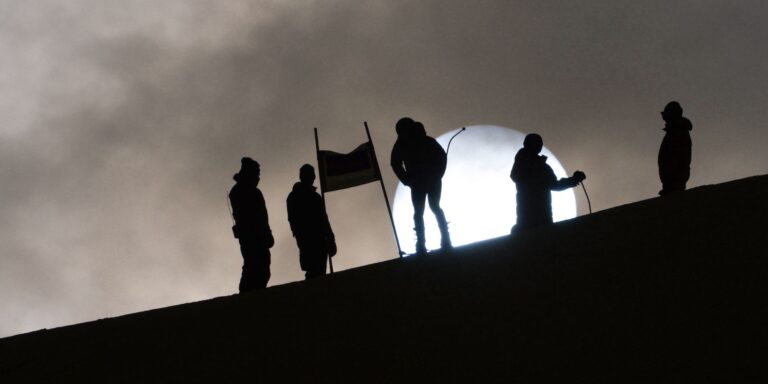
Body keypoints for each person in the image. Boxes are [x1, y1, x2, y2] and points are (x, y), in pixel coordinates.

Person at [390, 117, 451, 255]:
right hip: (419, 181)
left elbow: (441, 157)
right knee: (424, 210)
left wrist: (437, 174)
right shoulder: (406, 144)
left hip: (425, 180)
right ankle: (426, 243)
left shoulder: (415, 142)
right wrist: (407, 180)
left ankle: (439, 240)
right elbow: (395, 163)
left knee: (428, 209)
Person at [510, 133, 586, 233]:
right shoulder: (530, 164)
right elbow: (516, 176)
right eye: (537, 144)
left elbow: (554, 185)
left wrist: (573, 180)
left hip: (541, 216)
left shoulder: (542, 166)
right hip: (530, 217)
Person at [229, 157, 274, 292]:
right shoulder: (240, 191)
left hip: (260, 236)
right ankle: (247, 298)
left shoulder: (252, 191)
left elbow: (262, 217)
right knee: (253, 267)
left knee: (262, 269)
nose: (258, 176)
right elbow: (247, 216)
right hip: (251, 237)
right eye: (256, 173)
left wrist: (267, 233)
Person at [287, 164, 337, 279]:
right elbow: (293, 220)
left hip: (321, 240)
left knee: (320, 271)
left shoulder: (316, 197)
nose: (313, 177)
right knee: (314, 273)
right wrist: (302, 238)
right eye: (310, 174)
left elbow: (324, 219)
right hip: (307, 241)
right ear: (302, 176)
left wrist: (330, 238)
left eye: (313, 174)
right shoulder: (295, 196)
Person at [658, 101, 693, 195]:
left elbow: (679, 159)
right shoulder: (673, 132)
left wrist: (672, 180)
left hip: (674, 184)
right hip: (670, 184)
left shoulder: (678, 132)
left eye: (665, 115)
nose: (664, 119)